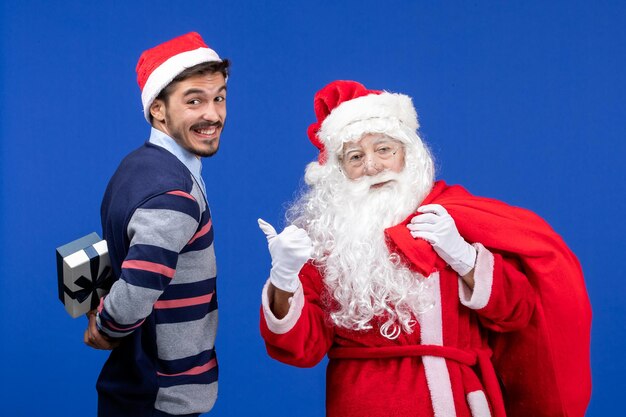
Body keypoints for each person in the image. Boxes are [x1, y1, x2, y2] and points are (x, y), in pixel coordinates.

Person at [258, 80, 591, 417]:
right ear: (340, 172)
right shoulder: (327, 239)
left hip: (460, 402)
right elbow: (302, 350)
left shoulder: (455, 217)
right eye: (355, 157)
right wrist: (284, 279)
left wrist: (465, 258)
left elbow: (517, 312)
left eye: (384, 149)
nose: (371, 166)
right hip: (363, 403)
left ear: (409, 153)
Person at [83, 32, 229, 417]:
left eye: (219, 98)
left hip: (134, 386)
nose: (212, 114)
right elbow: (138, 285)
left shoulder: (138, 165)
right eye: (194, 100)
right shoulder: (173, 192)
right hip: (159, 395)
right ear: (158, 110)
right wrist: (106, 325)